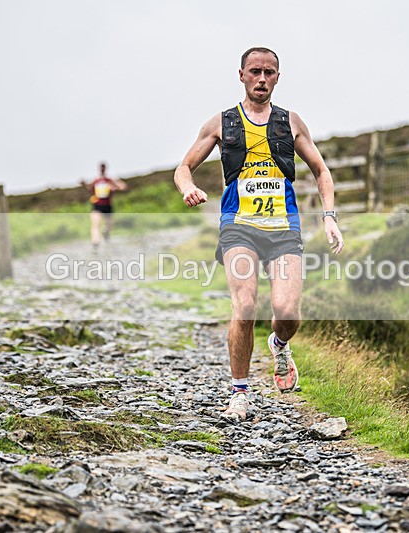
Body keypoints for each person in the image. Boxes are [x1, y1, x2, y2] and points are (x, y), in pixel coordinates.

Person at [173, 46, 344, 421]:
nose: (261, 79)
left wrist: (329, 217)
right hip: (239, 228)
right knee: (245, 305)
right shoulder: (221, 123)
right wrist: (188, 187)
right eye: (255, 72)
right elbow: (184, 166)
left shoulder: (291, 123)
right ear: (241, 75)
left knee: (286, 311)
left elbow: (322, 172)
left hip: (284, 228)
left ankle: (280, 345)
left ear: (278, 77)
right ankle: (239, 393)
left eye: (269, 72)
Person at [81, 162, 127, 252]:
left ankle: (106, 233)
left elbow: (123, 187)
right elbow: (89, 187)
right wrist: (84, 184)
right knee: (95, 224)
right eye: (101, 168)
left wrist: (115, 184)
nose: (102, 169)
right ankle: (95, 243)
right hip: (97, 205)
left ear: (105, 169)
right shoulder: (96, 180)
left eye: (103, 168)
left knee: (108, 225)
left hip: (107, 206)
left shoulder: (110, 180)